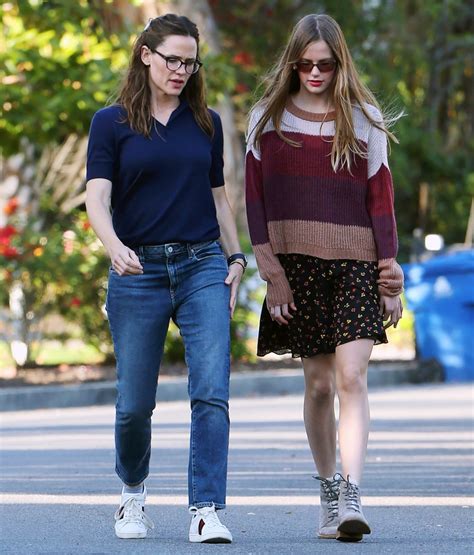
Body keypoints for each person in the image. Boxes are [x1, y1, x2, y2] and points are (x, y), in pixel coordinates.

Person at [86, 13, 247, 544]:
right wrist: (113, 247)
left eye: (190, 62)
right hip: (138, 271)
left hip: (203, 264)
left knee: (212, 391)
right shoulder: (110, 123)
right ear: (145, 54)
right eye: (172, 59)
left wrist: (236, 258)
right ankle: (132, 493)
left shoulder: (205, 122)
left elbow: (218, 198)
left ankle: (206, 509)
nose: (181, 70)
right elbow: (97, 197)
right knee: (135, 402)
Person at [245, 13, 403, 543]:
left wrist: (389, 276)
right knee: (317, 385)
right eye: (306, 64)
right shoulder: (265, 120)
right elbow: (254, 202)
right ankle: (329, 492)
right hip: (297, 267)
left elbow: (381, 200)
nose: (315, 73)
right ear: (293, 62)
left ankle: (353, 492)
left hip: (356, 262)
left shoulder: (363, 119)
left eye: (326, 65)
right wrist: (272, 274)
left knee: (351, 376)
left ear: (340, 64)